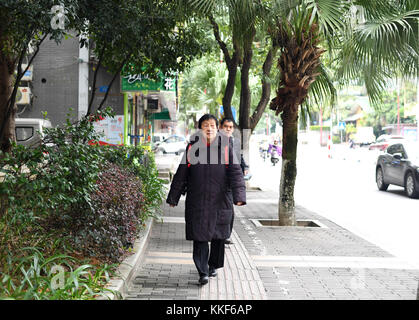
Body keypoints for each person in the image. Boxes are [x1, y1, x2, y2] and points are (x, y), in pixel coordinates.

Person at [166, 114, 246, 285]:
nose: (208, 128)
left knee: (218, 236)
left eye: (211, 125)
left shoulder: (225, 148)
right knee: (200, 236)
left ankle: (212, 266)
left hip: (220, 200)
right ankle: (202, 271)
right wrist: (174, 197)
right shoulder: (192, 148)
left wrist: (239, 196)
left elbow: (236, 173)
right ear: (200, 128)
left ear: (217, 128)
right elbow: (181, 174)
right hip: (198, 200)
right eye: (205, 125)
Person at [219, 117, 249, 245]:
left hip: (230, 182)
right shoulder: (215, 141)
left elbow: (239, 157)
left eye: (230, 127)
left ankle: (225, 236)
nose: (228, 129)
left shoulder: (235, 142)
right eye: (226, 126)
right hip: (217, 180)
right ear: (220, 127)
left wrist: (245, 167)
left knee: (229, 210)